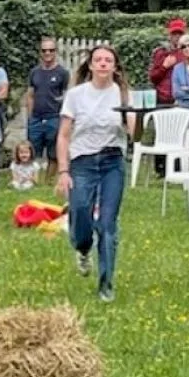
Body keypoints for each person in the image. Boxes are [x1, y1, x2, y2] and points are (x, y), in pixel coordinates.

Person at [56, 45, 131, 302]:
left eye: (108, 60)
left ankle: (106, 285)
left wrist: (137, 116)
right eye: (98, 59)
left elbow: (135, 135)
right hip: (82, 162)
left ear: (114, 66)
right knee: (80, 215)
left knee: (108, 224)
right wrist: (63, 171)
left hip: (112, 161)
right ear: (90, 65)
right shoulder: (76, 95)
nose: (102, 64)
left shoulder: (121, 94)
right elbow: (64, 136)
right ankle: (83, 249)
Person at [25, 37, 70, 180]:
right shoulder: (34, 72)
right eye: (44, 50)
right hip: (36, 118)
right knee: (31, 152)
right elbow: (31, 95)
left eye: (51, 50)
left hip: (54, 117)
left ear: (56, 52)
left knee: (53, 153)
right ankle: (32, 180)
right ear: (40, 52)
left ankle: (48, 181)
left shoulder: (62, 73)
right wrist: (30, 116)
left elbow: (67, 96)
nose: (47, 53)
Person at [149, 18, 187, 106]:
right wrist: (164, 66)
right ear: (169, 35)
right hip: (163, 99)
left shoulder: (188, 52)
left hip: (183, 99)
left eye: (180, 33)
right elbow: (152, 78)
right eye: (174, 33)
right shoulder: (160, 52)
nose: (177, 36)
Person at [171, 34, 189, 108]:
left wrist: (186, 89)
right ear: (180, 50)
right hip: (183, 108)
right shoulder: (177, 68)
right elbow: (176, 93)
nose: (187, 48)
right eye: (183, 47)